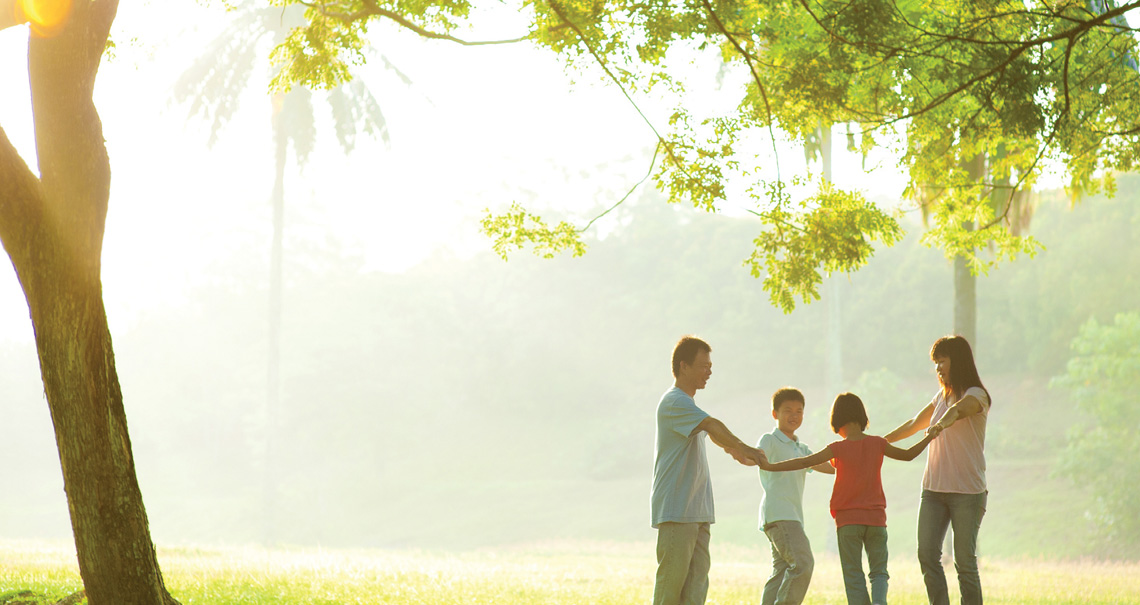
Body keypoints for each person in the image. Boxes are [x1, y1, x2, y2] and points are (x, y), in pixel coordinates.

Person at [759, 392, 941, 605]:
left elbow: (801, 462)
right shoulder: (878, 444)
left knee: (854, 575)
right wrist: (930, 435)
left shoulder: (837, 448)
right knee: (879, 571)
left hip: (847, 522)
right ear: (863, 418)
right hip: (876, 520)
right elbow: (909, 454)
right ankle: (880, 602)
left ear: (836, 421)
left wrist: (771, 466)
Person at [652, 336, 766, 605]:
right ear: (684, 366)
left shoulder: (688, 406)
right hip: (677, 510)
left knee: (695, 592)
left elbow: (709, 432)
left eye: (710, 366)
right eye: (704, 365)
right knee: (670, 591)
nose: (709, 371)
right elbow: (711, 425)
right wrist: (742, 446)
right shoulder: (674, 401)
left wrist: (735, 452)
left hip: (696, 511)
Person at [885, 335, 991, 605]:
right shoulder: (940, 397)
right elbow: (912, 424)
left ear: (958, 361)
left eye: (942, 361)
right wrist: (879, 442)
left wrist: (941, 425)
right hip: (933, 491)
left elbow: (958, 411)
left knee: (964, 562)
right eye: (936, 363)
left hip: (967, 493)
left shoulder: (977, 396)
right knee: (927, 555)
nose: (938, 368)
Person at [756, 387, 836, 605]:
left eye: (799, 411)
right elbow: (756, 456)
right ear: (775, 414)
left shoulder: (801, 448)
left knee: (781, 571)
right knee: (803, 563)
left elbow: (828, 467)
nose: (794, 416)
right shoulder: (769, 439)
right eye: (788, 410)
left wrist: (853, 459)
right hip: (779, 514)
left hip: (790, 516)